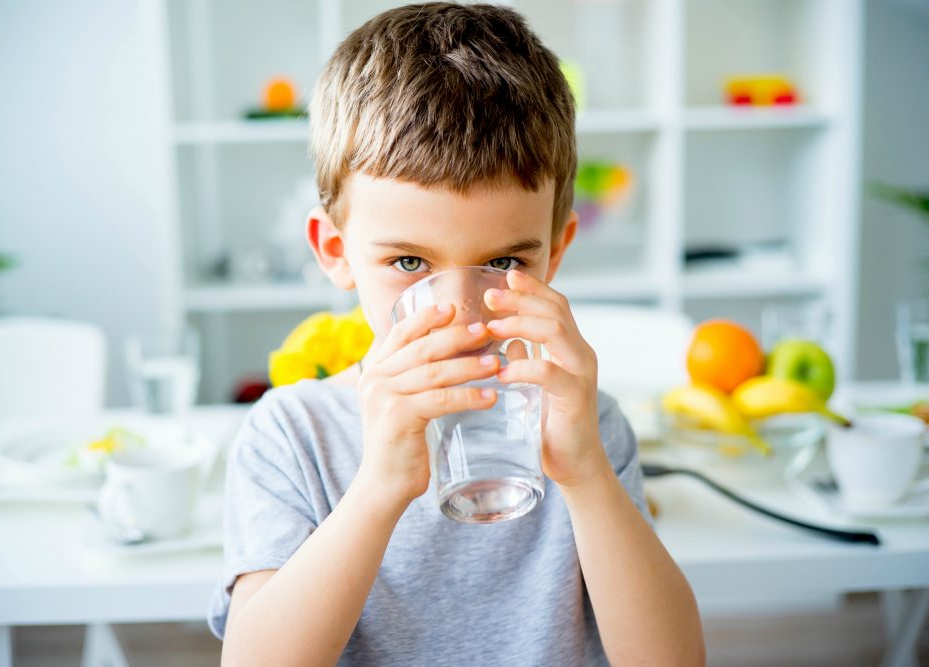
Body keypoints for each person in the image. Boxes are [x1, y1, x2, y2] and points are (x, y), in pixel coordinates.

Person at [209, 4, 704, 665]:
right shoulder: (292, 437)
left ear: (553, 254)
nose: (463, 317)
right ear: (335, 250)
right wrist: (380, 483)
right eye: (410, 263)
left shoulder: (584, 427)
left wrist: (587, 475)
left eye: (503, 262)